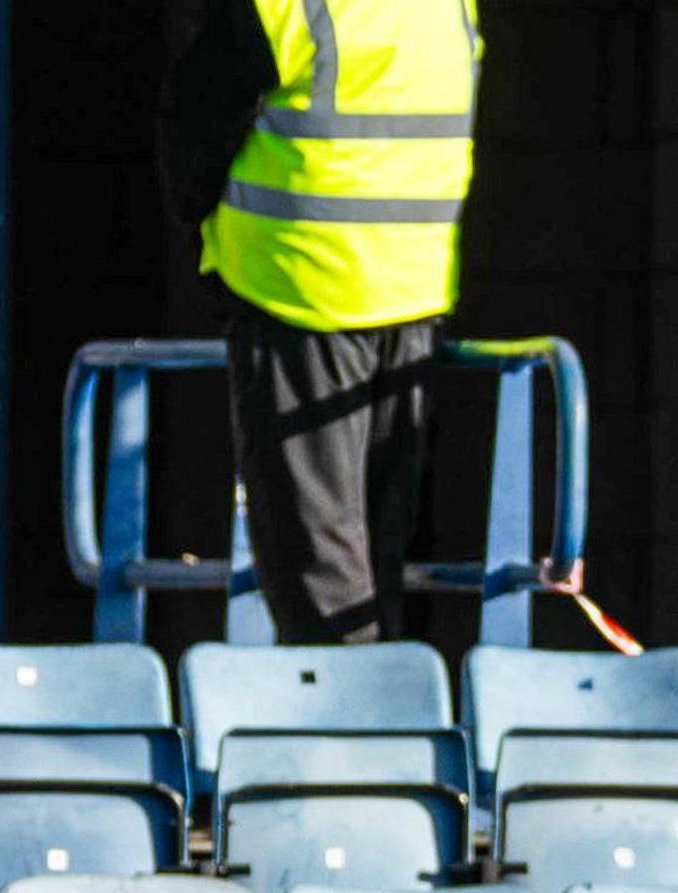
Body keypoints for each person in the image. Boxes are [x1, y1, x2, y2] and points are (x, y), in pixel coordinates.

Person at [160, 0, 480, 644]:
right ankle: (380, 699)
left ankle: (347, 705)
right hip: (413, 296)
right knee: (373, 563)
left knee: (318, 574)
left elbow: (195, 124)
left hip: (302, 291)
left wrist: (203, 230)